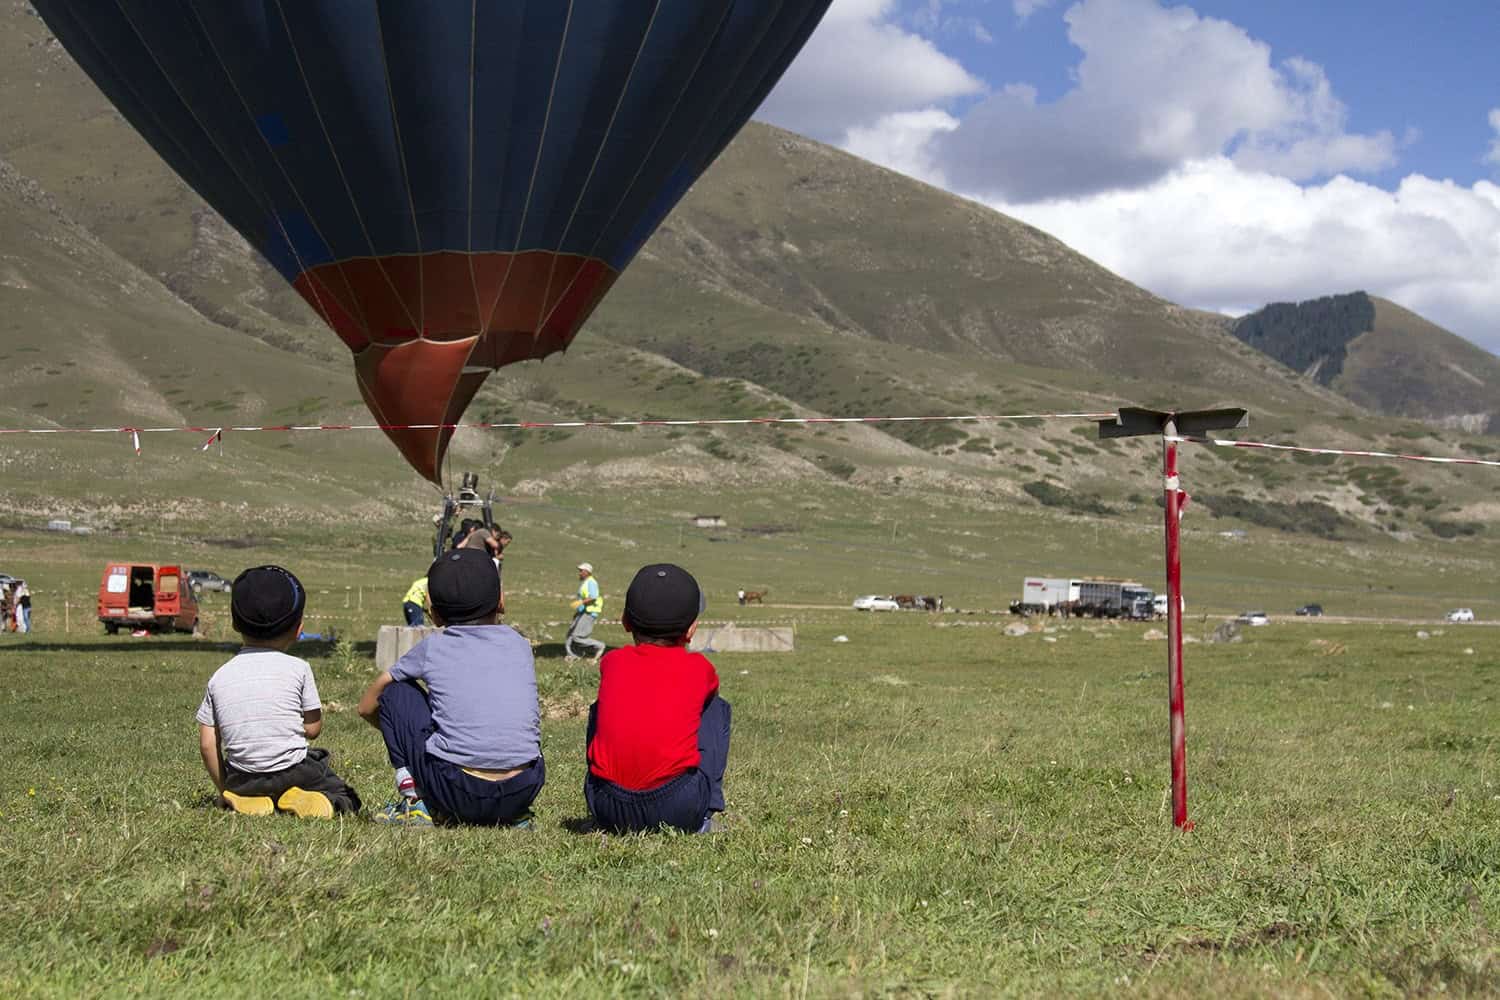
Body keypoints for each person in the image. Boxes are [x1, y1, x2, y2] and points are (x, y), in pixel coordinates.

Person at [358, 548, 543, 827]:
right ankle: (514, 816)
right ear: (501, 601)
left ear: (434, 615)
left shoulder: (434, 647)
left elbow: (367, 705)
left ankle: (415, 799)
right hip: (525, 787)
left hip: (456, 790)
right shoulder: (519, 644)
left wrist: (402, 738)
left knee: (397, 691)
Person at [195, 566, 361, 818]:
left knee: (246, 785)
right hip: (295, 771)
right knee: (346, 794)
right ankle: (315, 801)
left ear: (235, 623)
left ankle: (244, 800)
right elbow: (313, 730)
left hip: (243, 779)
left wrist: (225, 787)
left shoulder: (219, 677)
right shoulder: (299, 668)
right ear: (298, 629)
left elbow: (208, 744)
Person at [585, 563, 730, 834]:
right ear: (691, 629)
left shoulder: (612, 662)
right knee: (715, 707)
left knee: (599, 709)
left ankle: (599, 812)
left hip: (607, 806)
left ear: (625, 622)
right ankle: (706, 815)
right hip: (678, 807)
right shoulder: (700, 669)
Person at [565, 562, 606, 662]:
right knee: (570, 634)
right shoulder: (586, 582)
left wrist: (580, 602)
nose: (579, 573)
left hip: (589, 612)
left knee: (577, 636)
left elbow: (593, 597)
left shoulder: (591, 582)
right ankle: (573, 655)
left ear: (587, 572)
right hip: (583, 611)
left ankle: (599, 646)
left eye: (581, 571)